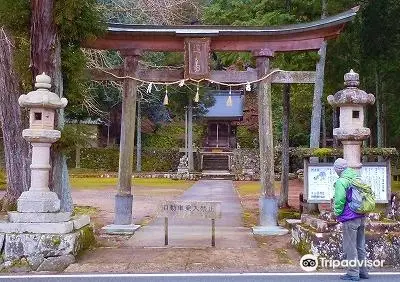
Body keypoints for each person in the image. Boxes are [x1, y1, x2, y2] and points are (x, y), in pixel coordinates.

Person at [333, 158, 369, 281]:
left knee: (350, 246)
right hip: (361, 215)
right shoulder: (357, 177)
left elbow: (339, 200)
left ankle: (353, 273)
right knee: (360, 245)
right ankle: (363, 272)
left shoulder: (341, 181)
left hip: (350, 217)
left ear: (338, 170)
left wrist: (337, 213)